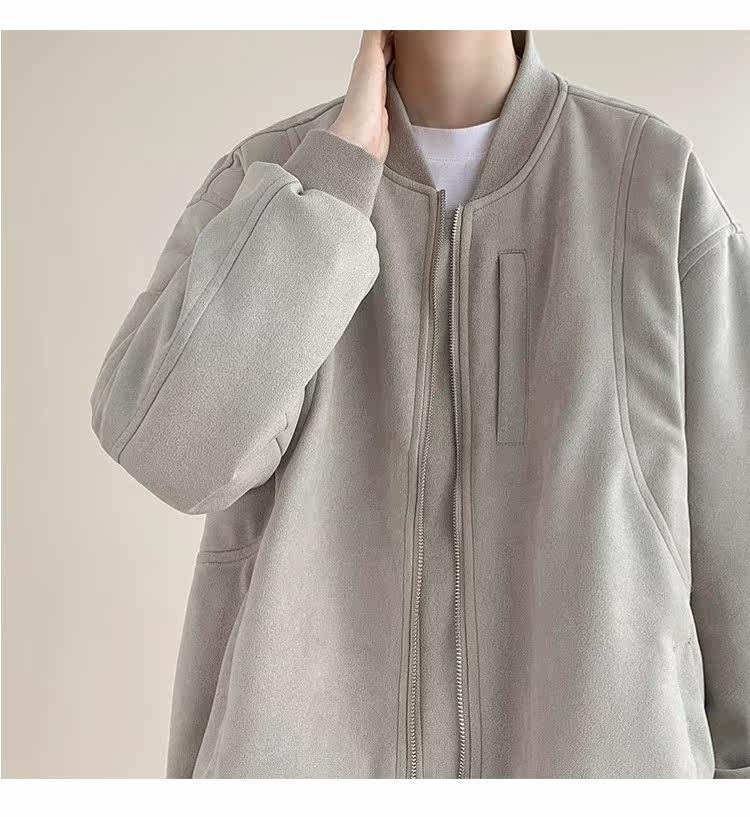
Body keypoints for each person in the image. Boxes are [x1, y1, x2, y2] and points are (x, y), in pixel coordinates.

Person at [90, 30, 749, 778]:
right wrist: (331, 190)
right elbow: (167, 449)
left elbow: (736, 549)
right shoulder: (270, 178)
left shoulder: (649, 184)